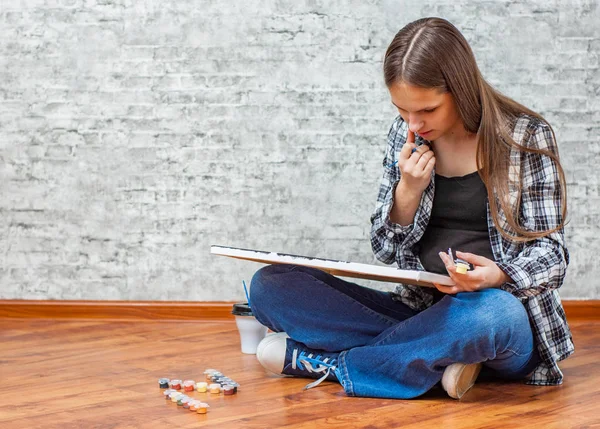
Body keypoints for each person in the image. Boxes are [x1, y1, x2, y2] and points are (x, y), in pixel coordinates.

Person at [248, 17, 574, 400]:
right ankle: (437, 363)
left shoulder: (524, 137)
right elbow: (386, 250)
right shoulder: (406, 136)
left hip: (494, 319)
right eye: (402, 110)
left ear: (460, 90)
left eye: (427, 110)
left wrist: (497, 277)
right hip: (418, 314)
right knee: (271, 285)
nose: (414, 123)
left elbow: (552, 256)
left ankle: (336, 365)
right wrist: (408, 191)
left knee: (492, 314)